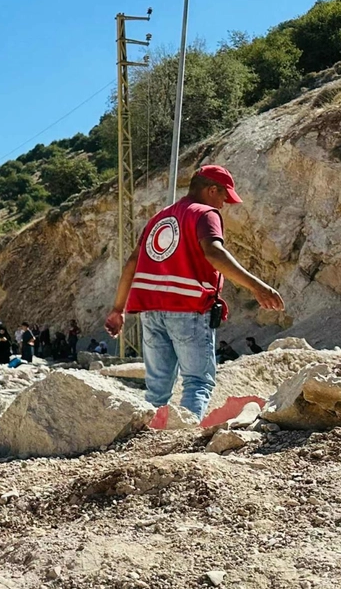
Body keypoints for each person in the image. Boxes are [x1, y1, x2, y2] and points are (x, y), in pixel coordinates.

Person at [106, 165, 285, 418]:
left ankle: (146, 441)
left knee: (157, 388)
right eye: (224, 196)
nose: (224, 204)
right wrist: (258, 286)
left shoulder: (159, 219)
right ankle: (183, 438)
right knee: (198, 381)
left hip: (151, 311)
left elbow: (131, 264)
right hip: (187, 310)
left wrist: (117, 309)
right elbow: (213, 252)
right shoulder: (205, 214)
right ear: (212, 189)